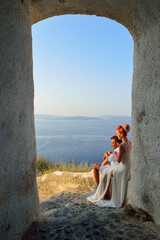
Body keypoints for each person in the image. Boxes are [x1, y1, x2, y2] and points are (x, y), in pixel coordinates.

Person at [87, 124, 131, 208]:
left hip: (123, 168)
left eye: (118, 133)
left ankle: (104, 192)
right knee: (108, 171)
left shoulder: (121, 145)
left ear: (121, 134)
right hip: (128, 168)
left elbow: (118, 160)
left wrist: (114, 154)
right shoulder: (129, 142)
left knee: (107, 171)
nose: (117, 135)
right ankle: (105, 192)